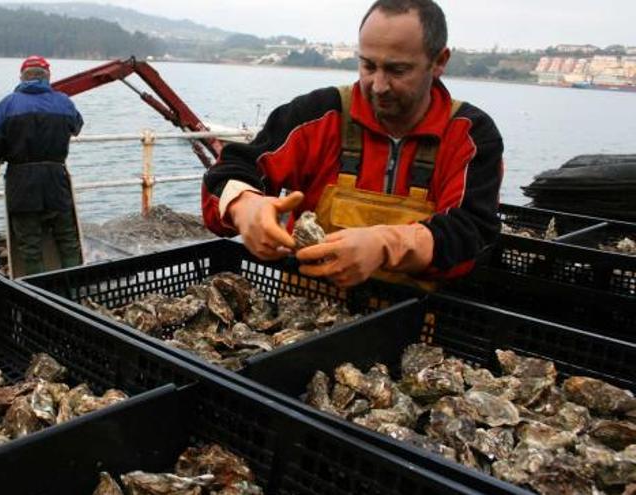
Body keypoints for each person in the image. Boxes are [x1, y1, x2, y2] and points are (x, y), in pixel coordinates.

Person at [202, 0, 503, 288]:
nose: (379, 85)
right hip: (308, 312)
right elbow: (234, 167)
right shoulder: (317, 114)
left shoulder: (471, 134)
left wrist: (385, 246)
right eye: (368, 66)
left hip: (414, 322)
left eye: (397, 70)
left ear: (438, 61)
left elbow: (472, 233)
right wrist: (246, 207)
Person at [0, 55, 85, 277]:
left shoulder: (8, 105)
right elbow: (76, 126)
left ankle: (38, 293)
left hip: (22, 181)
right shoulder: (64, 102)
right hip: (56, 178)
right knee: (67, 239)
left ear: (21, 77)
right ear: (48, 77)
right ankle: (75, 289)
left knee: (30, 245)